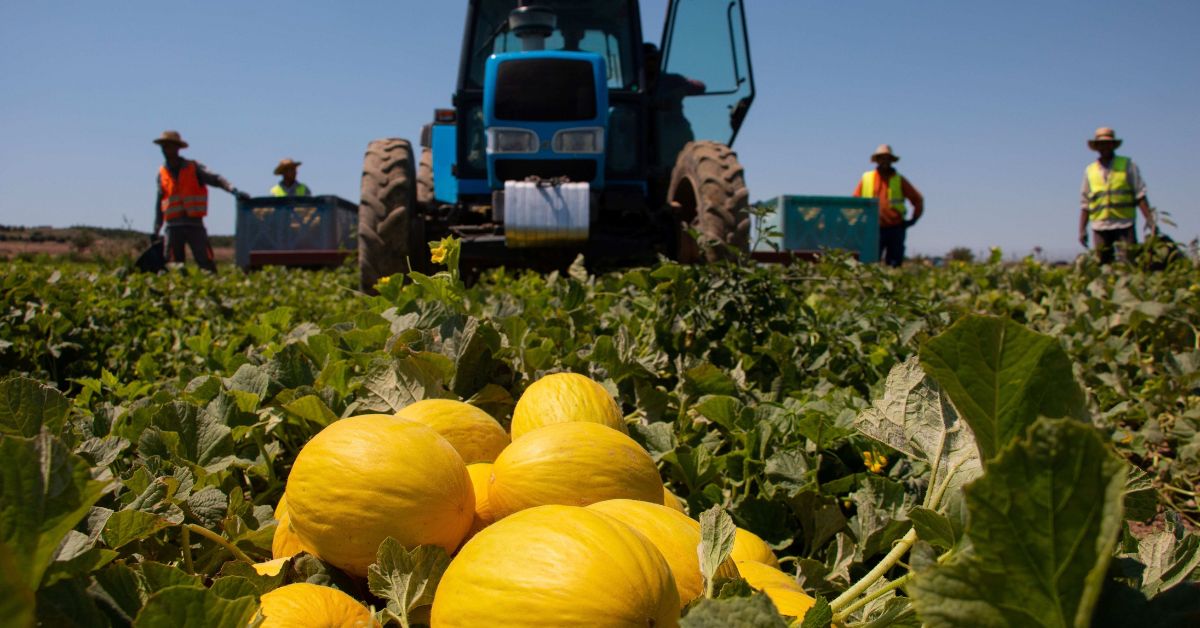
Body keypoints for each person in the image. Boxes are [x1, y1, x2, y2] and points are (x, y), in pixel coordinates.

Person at [152, 130, 248, 271]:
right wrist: (156, 229)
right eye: (163, 146)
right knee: (173, 265)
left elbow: (216, 179)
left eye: (168, 146)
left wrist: (234, 190)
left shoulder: (193, 167)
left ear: (177, 148)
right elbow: (159, 203)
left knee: (206, 263)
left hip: (194, 224)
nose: (164, 149)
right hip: (172, 227)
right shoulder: (161, 173)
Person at [1079, 127, 1155, 264]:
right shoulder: (1090, 170)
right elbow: (1085, 203)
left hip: (1124, 224)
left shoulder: (1128, 165)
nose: (1104, 147)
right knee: (1102, 266)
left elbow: (1140, 195)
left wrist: (1150, 220)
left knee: (1128, 263)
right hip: (1100, 226)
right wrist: (1082, 229)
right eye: (1101, 144)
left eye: (1107, 143)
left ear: (1113, 145)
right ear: (1097, 147)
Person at [852, 144, 924, 267]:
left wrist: (913, 219)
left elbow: (918, 199)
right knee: (869, 264)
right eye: (882, 158)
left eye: (887, 158)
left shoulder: (899, 179)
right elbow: (855, 202)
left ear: (891, 160)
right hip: (872, 228)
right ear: (877, 160)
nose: (885, 161)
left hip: (895, 228)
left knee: (894, 264)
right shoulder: (867, 178)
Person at [644, 43, 706, 167]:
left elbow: (700, 87)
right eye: (648, 59)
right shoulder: (632, 86)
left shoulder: (672, 81)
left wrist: (680, 88)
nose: (652, 63)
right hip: (640, 141)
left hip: (672, 139)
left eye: (654, 59)